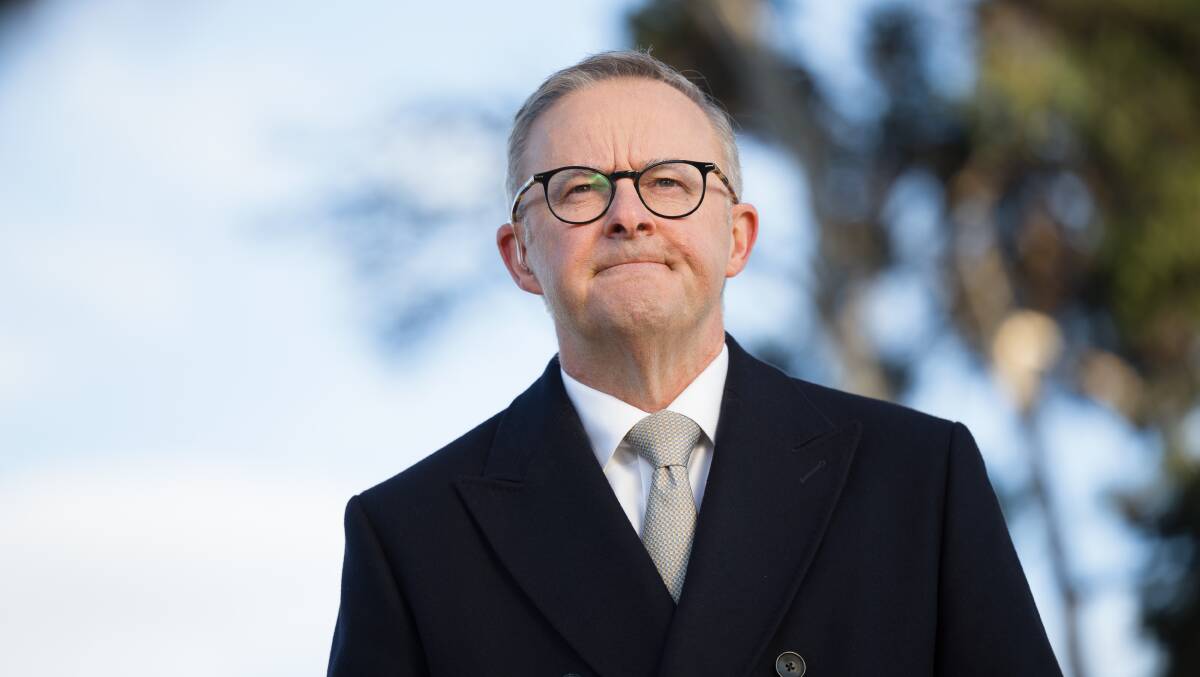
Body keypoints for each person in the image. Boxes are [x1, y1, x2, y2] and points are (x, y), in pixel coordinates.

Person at [326, 50, 1063, 677]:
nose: (629, 215)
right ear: (520, 253)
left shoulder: (918, 477)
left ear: (738, 236)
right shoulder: (410, 537)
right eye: (579, 188)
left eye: (670, 182)